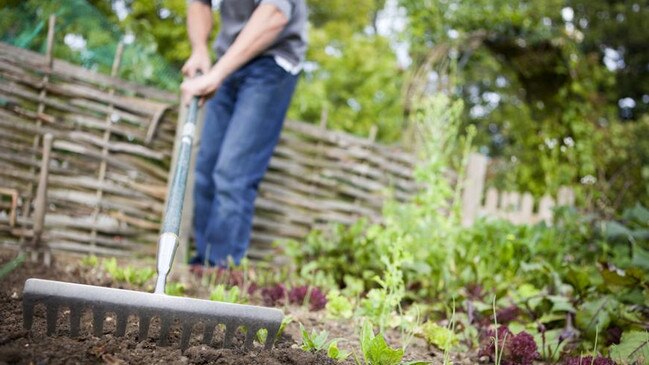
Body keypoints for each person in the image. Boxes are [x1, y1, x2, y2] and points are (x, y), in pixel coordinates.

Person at [180, 0, 307, 267]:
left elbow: (275, 13)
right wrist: (200, 49)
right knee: (206, 168)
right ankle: (203, 265)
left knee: (233, 173)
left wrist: (218, 73)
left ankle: (221, 272)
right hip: (227, 59)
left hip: (272, 60)